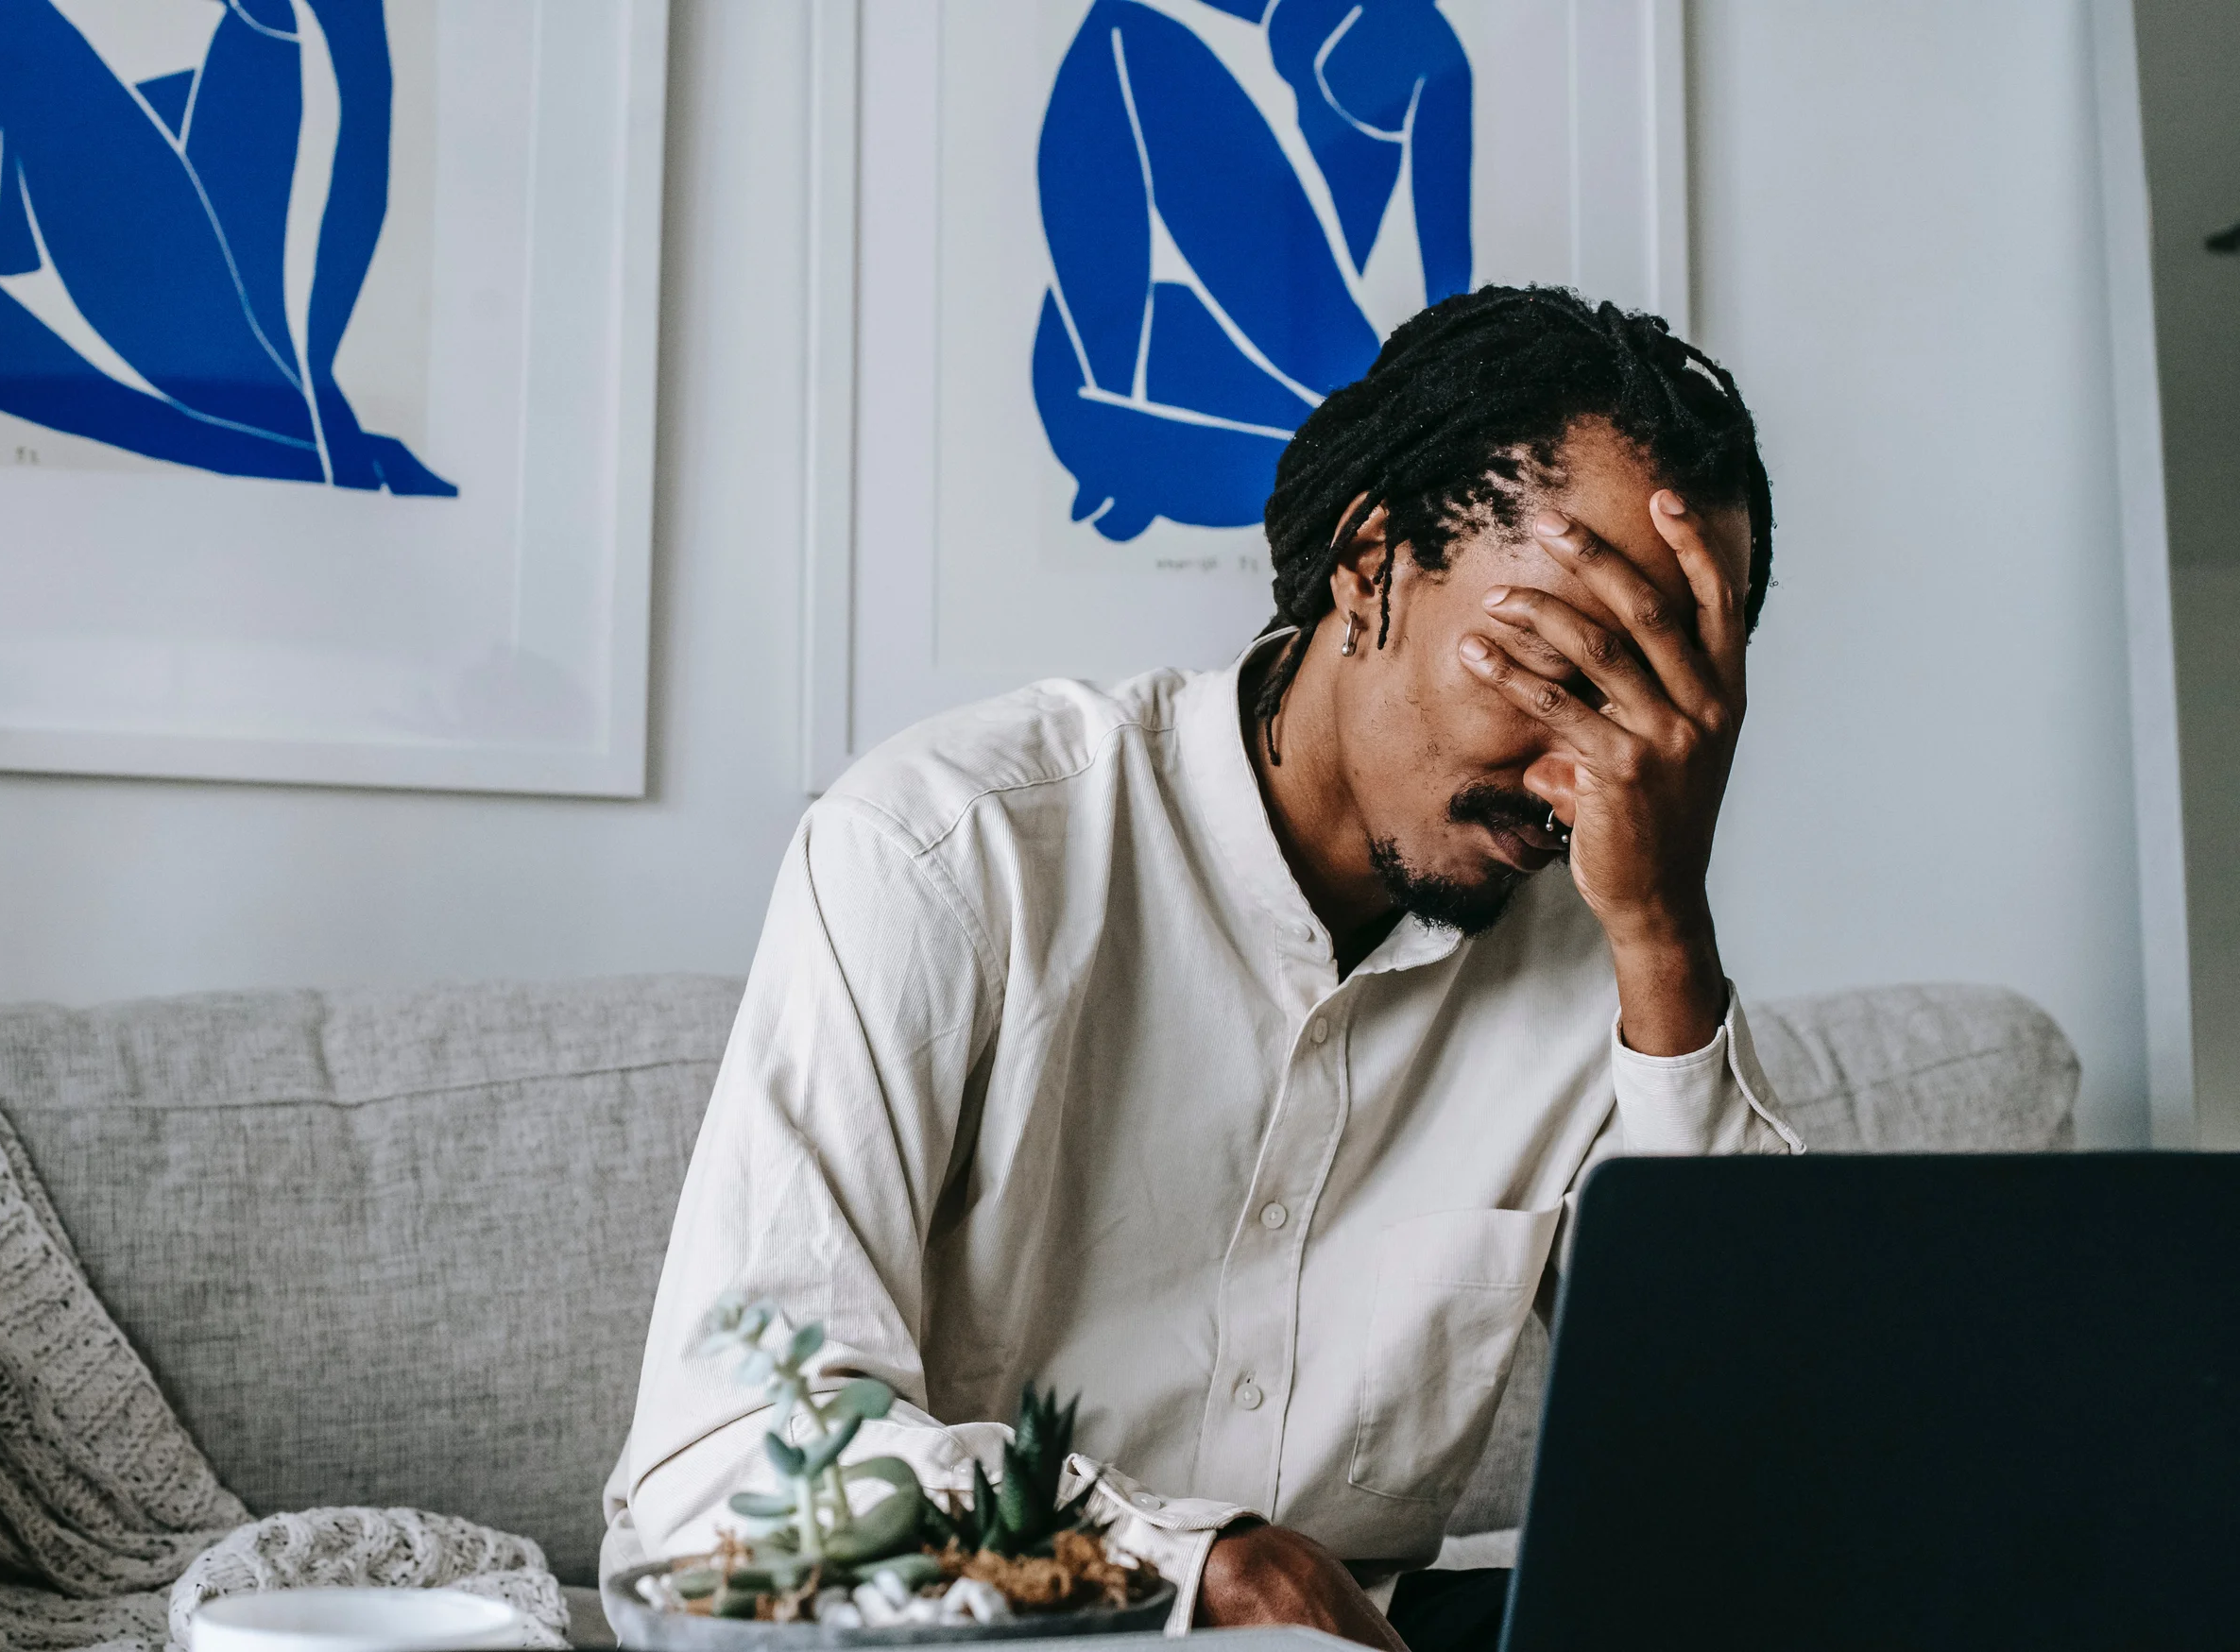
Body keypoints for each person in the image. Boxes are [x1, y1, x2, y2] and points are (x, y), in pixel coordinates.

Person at [601, 286, 1804, 1652]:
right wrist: (1203, 1570)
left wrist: (1666, 934)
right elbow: (735, 1461)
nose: (1581, 777)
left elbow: (1758, 1477)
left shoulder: (1612, 926)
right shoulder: (949, 853)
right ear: (1373, 563)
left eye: (1655, 709)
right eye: (1561, 669)